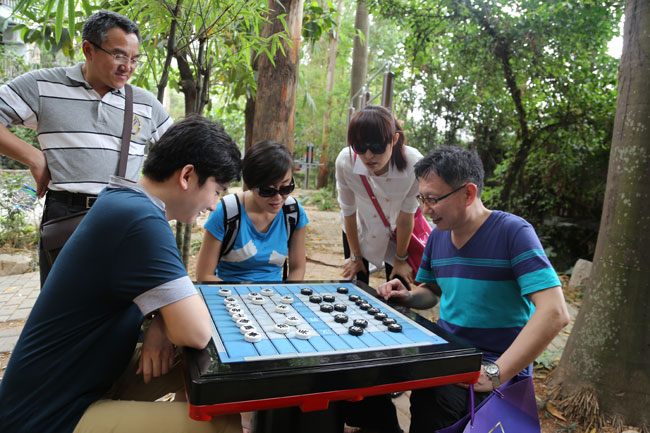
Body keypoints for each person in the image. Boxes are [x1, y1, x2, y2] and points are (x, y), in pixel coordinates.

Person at [0, 115, 242, 433]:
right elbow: (195, 331)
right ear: (187, 176)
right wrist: (170, 327)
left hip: (89, 380)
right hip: (48, 415)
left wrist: (159, 325)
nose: (213, 205)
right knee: (219, 421)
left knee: (204, 372)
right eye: (216, 190)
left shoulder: (124, 201)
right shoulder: (140, 221)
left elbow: (176, 316)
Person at [377, 145, 570, 432]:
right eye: (422, 198)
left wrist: (496, 373)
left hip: (493, 366)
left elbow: (555, 313)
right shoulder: (438, 237)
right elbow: (431, 291)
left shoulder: (513, 233)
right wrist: (407, 295)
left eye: (432, 199)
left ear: (468, 193)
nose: (425, 209)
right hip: (449, 356)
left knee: (437, 404)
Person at [0, 10, 172, 285]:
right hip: (65, 214)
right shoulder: (43, 85)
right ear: (88, 49)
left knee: (121, 307)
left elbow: (181, 152)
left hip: (125, 215)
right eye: (118, 55)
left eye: (134, 59)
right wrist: (34, 157)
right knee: (61, 309)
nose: (127, 66)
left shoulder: (145, 104)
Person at [196, 140, 308, 283]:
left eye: (286, 188)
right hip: (230, 296)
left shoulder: (293, 213)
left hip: (276, 297)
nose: (278, 198)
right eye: (267, 191)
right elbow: (204, 275)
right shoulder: (226, 213)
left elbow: (298, 268)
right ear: (250, 185)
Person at [335, 105, 422, 288]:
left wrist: (400, 259)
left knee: (399, 289)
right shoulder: (346, 161)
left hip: (398, 232)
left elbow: (407, 216)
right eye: (359, 147)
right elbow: (348, 212)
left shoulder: (414, 164)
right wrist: (355, 256)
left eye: (377, 147)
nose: (368, 156)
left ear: (395, 139)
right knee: (356, 287)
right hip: (359, 227)